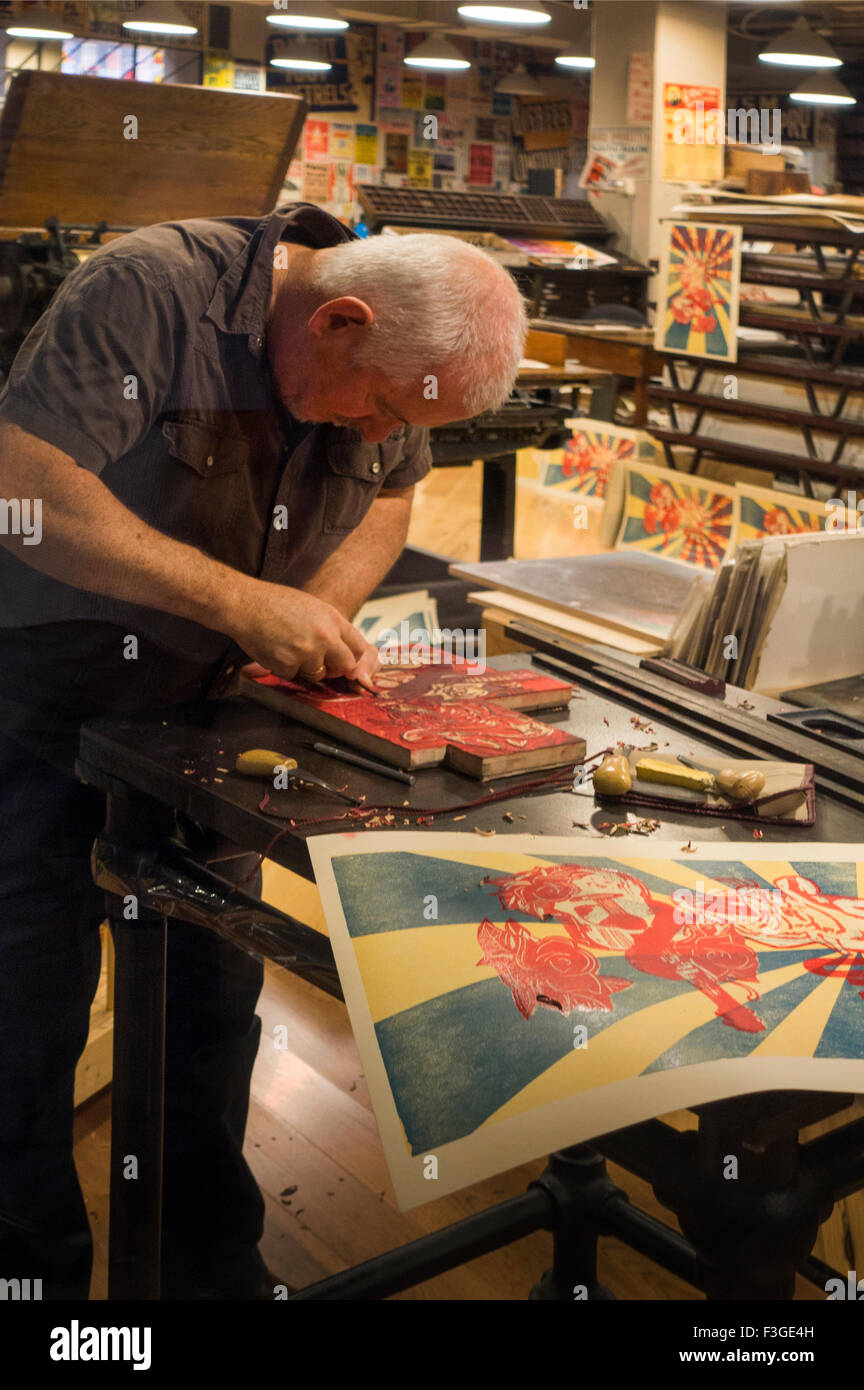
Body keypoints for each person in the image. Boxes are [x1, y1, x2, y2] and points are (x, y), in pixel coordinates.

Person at [0, 202, 527, 1299]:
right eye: (374, 404)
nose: (377, 431)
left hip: (209, 720)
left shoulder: (397, 357)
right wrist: (245, 603)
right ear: (337, 319)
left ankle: (205, 1273)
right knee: (22, 1024)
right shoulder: (151, 290)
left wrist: (311, 618)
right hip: (41, 702)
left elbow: (393, 491)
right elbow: (21, 492)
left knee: (207, 1014)